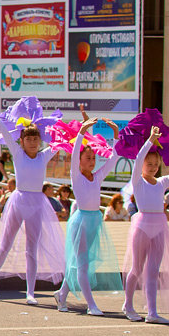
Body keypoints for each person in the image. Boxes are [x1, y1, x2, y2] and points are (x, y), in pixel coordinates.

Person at [0, 94, 66, 305]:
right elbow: (3, 131)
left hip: (37, 203)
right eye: (28, 139)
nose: (32, 142)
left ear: (39, 140)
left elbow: (62, 141)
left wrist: (80, 129)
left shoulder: (43, 156)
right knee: (4, 244)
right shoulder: (17, 153)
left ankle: (30, 291)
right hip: (18, 201)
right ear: (22, 140)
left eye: (35, 139)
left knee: (32, 248)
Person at [122, 126, 169, 324]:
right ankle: (128, 305)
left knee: (153, 270)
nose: (153, 166)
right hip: (142, 225)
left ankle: (152, 313)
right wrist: (150, 141)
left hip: (159, 226)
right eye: (150, 163)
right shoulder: (137, 181)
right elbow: (138, 161)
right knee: (137, 268)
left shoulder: (162, 182)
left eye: (156, 164)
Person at [57, 117, 121, 316]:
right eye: (88, 159)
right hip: (81, 221)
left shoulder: (98, 176)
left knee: (81, 261)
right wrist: (82, 133)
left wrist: (116, 136)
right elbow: (75, 153)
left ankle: (61, 294)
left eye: (93, 158)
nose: (92, 162)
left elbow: (114, 159)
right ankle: (91, 305)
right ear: (80, 162)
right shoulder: (76, 176)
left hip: (94, 220)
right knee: (82, 263)